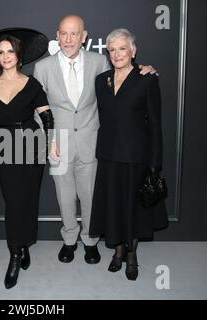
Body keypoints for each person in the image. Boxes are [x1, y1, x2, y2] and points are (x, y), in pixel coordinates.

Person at [34, 15, 157, 265]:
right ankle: (69, 240)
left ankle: (90, 241)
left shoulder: (99, 62)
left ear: (84, 36)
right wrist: (49, 140)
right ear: (57, 36)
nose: (68, 39)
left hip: (92, 143)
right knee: (64, 198)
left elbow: (121, 86)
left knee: (91, 197)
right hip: (58, 144)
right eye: (64, 34)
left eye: (74, 34)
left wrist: (147, 68)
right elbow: (38, 108)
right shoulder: (42, 67)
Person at [0, 29, 53, 289]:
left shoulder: (32, 84)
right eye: (1, 52)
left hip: (31, 144)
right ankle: (15, 252)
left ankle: (23, 245)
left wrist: (52, 143)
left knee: (28, 200)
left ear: (18, 56)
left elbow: (47, 116)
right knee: (13, 201)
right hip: (4, 147)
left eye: (10, 51)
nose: (6, 56)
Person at [89, 28, 168, 280]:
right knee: (113, 206)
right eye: (112, 50)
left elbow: (155, 124)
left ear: (133, 51)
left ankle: (132, 254)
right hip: (109, 155)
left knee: (133, 208)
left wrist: (155, 162)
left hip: (136, 155)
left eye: (122, 48)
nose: (117, 54)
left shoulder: (147, 79)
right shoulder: (101, 81)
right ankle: (118, 250)